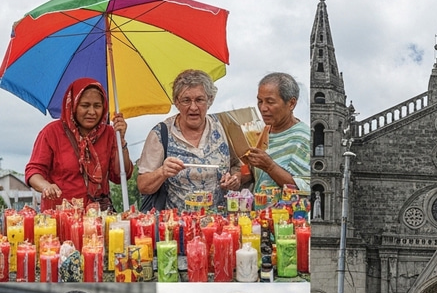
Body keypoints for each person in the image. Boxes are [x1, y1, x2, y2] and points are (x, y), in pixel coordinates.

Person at [137, 69, 241, 210]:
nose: (193, 107)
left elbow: (239, 166)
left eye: (199, 100)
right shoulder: (161, 134)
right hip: (177, 226)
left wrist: (235, 179)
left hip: (220, 226)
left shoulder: (224, 126)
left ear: (210, 100)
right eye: (186, 100)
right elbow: (143, 186)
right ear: (176, 102)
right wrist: (162, 172)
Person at [26, 78, 132, 210]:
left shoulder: (110, 133)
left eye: (97, 106)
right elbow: (33, 172)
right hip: (61, 215)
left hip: (97, 215)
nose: (92, 112)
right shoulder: (51, 132)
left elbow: (121, 175)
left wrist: (121, 140)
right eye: (85, 105)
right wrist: (46, 186)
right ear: (73, 105)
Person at [241, 73, 310, 194]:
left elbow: (305, 188)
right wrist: (238, 177)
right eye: (260, 101)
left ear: (291, 103)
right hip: (260, 212)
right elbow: (256, 174)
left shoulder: (304, 138)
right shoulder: (260, 133)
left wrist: (270, 167)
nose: (263, 108)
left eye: (270, 102)